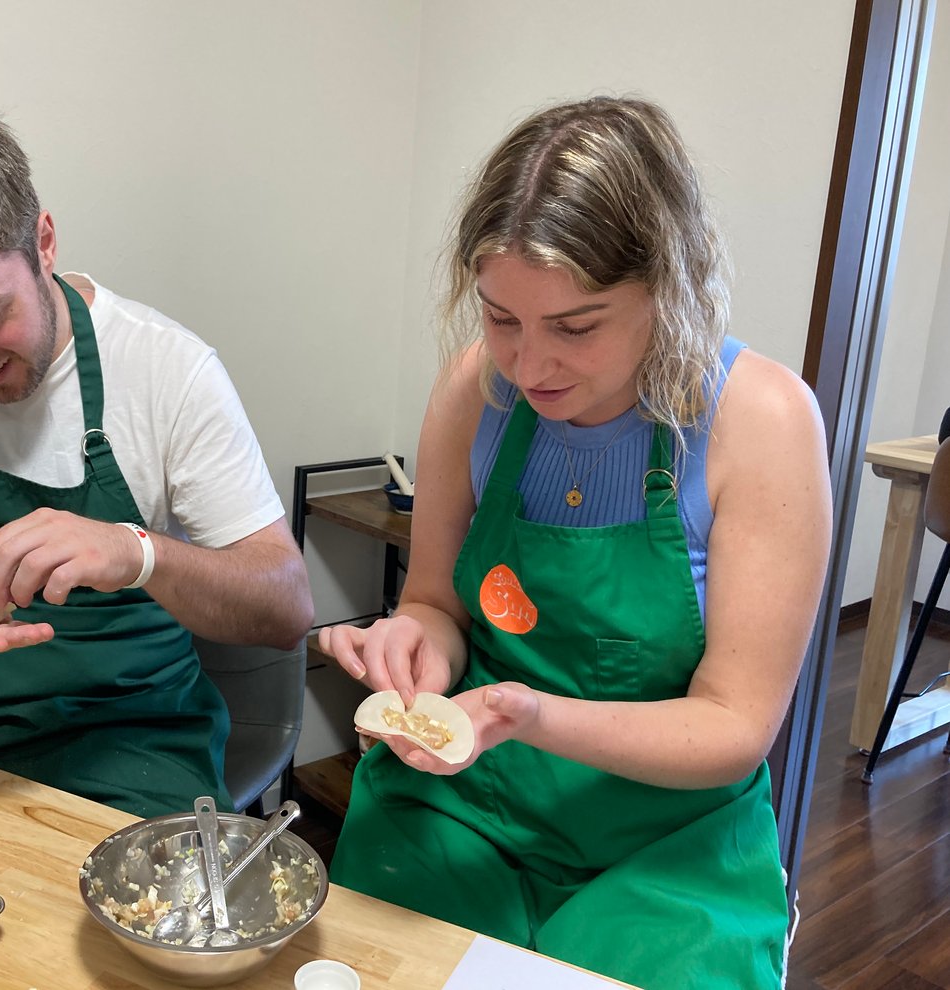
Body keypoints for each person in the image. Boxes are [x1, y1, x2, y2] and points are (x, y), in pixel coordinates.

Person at [317, 96, 831, 989]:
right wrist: (413, 650)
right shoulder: (475, 391)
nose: (530, 367)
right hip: (470, 804)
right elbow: (435, 602)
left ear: (668, 289)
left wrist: (533, 717)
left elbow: (734, 727)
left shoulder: (762, 423)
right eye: (500, 318)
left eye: (577, 326)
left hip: (669, 841)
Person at [0, 102, 313, 818]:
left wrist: (139, 553)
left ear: (43, 242)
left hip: (131, 749)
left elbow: (286, 606)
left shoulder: (167, 369)